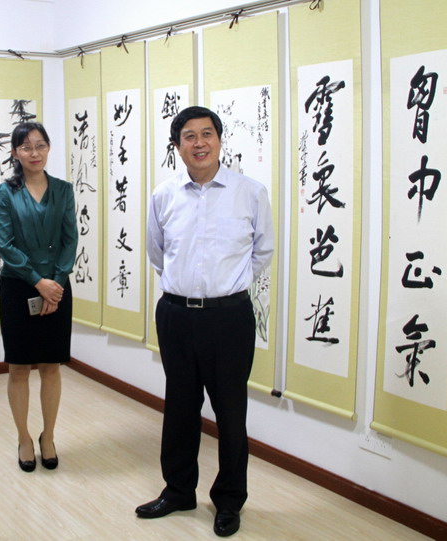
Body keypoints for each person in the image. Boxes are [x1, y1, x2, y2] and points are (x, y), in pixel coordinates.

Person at [138, 106, 273, 537]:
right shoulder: (164, 195)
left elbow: (263, 251)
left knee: (230, 412)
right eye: (189, 136)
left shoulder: (250, 192)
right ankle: (178, 490)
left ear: (219, 139)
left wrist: (225, 289)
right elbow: (157, 252)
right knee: (180, 406)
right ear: (177, 147)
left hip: (228, 317)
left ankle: (229, 500)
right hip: (176, 314)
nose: (199, 143)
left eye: (207, 134)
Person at [0, 122, 77, 472]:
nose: (34, 153)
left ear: (49, 148)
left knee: (51, 366)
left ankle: (49, 436)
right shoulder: (5, 193)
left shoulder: (63, 190)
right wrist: (38, 282)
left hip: (57, 287)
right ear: (15, 153)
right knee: (18, 368)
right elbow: (5, 244)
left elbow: (70, 239)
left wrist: (55, 282)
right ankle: (24, 437)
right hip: (19, 287)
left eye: (40, 145)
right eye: (26, 147)